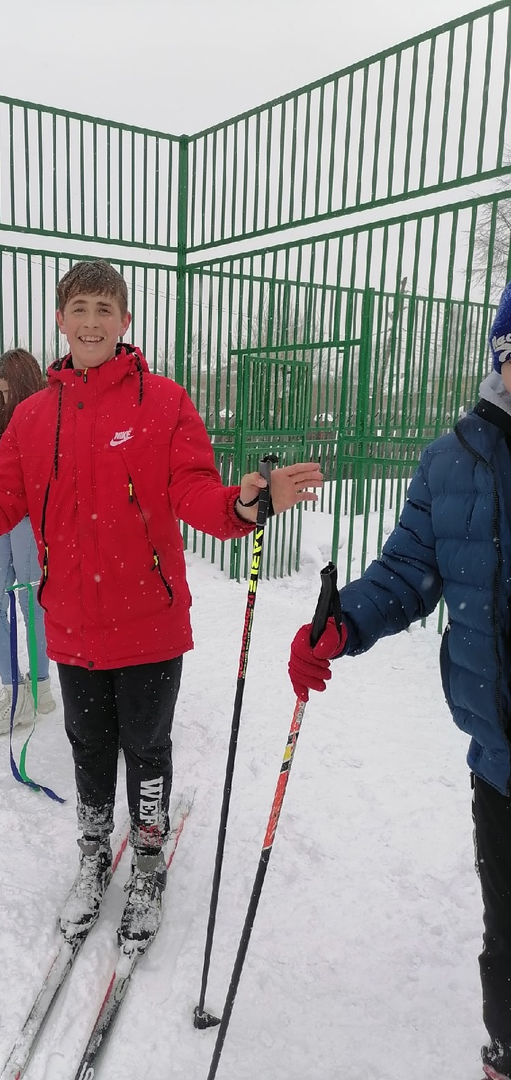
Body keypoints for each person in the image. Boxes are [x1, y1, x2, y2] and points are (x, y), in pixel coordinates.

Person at [0, 260, 323, 951]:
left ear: (126, 321)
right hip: (72, 626)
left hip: (151, 625)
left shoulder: (166, 403)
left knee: (146, 750)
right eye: (79, 308)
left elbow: (196, 497)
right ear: (60, 319)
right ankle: (95, 855)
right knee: (89, 749)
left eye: (105, 308)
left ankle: (146, 859)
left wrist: (244, 505)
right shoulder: (33, 418)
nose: (92, 321)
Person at [287, 281, 511, 1080]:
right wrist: (340, 624)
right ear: (501, 358)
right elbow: (408, 574)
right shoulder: (453, 462)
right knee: (510, 936)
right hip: (502, 758)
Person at [0, 349, 56, 737]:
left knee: (31, 601)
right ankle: (15, 691)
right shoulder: (6, 417)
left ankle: (40, 686)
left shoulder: (44, 412)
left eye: (9, 391)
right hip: (1, 513)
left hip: (29, 518)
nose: (4, 400)